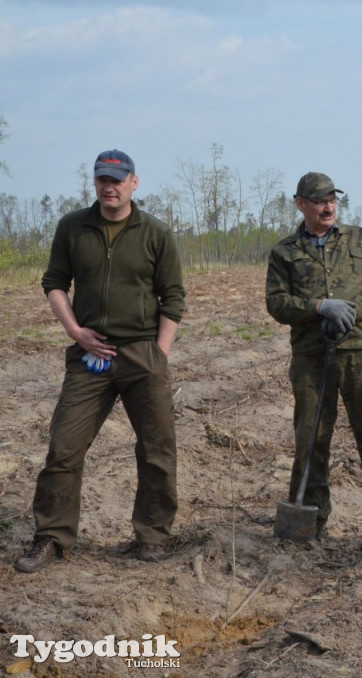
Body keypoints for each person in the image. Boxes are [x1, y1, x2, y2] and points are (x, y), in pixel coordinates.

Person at [15, 150, 186, 573]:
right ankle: (52, 536)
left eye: (117, 179)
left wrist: (158, 356)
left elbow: (174, 298)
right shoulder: (73, 227)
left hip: (143, 353)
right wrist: (76, 332)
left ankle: (151, 537)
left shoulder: (156, 233)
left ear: (134, 183)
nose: (109, 187)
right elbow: (54, 282)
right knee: (64, 446)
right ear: (94, 183)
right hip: (89, 356)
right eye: (101, 180)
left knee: (157, 449)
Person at [266, 171, 362, 547]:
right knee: (311, 438)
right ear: (300, 204)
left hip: (360, 353)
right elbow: (277, 303)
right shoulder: (285, 252)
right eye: (318, 200)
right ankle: (310, 519)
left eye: (332, 198)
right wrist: (318, 307)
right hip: (311, 356)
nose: (328, 206)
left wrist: (350, 309)